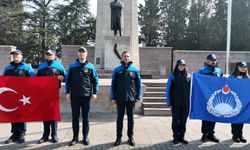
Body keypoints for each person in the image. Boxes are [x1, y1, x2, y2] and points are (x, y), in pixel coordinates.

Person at [66, 47, 99, 146]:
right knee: (75, 117)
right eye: (80, 52)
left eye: (83, 52)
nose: (81, 54)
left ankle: (85, 137)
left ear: (86, 54)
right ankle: (75, 137)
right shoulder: (72, 66)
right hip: (75, 96)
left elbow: (95, 81)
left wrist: (94, 93)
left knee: (85, 118)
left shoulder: (91, 66)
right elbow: (68, 81)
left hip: (86, 96)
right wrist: (67, 92)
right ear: (77, 54)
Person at [3, 49, 35, 144]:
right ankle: (14, 134)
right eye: (13, 55)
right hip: (11, 95)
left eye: (17, 55)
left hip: (23, 96)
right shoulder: (8, 68)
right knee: (13, 114)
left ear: (21, 56)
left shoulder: (27, 67)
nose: (15, 56)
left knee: (22, 114)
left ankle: (21, 133)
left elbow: (34, 80)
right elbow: (3, 80)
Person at [110, 51, 142, 146]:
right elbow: (113, 85)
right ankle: (118, 138)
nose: (126, 58)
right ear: (122, 58)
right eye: (124, 56)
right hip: (120, 99)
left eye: (128, 56)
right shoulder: (117, 70)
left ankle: (130, 137)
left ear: (130, 58)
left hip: (131, 99)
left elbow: (138, 85)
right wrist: (113, 97)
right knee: (119, 119)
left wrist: (138, 96)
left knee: (131, 119)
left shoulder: (134, 70)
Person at [37, 50, 66, 144]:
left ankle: (54, 134)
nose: (49, 56)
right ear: (45, 56)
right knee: (45, 114)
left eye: (50, 55)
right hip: (43, 94)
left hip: (54, 94)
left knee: (54, 114)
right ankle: (45, 135)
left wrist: (61, 77)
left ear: (54, 56)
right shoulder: (41, 66)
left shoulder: (59, 66)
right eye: (47, 54)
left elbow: (66, 78)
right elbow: (36, 80)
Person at [198, 54, 223, 143]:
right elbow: (198, 83)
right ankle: (204, 134)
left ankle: (211, 134)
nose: (213, 61)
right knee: (205, 116)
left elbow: (223, 82)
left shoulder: (219, 71)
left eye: (214, 60)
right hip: (205, 97)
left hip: (216, 98)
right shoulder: (202, 71)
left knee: (213, 115)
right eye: (211, 60)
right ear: (207, 60)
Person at [166, 59, 191, 144]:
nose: (181, 67)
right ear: (177, 66)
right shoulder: (172, 76)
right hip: (176, 103)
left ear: (185, 66)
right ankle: (175, 137)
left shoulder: (189, 76)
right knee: (175, 121)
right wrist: (169, 102)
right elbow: (168, 90)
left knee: (183, 121)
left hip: (186, 104)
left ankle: (182, 137)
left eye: (183, 65)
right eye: (180, 65)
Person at [230, 61, 248, 143]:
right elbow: (226, 84)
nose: (243, 68)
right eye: (241, 67)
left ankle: (240, 135)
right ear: (237, 67)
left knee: (242, 118)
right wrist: (236, 80)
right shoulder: (232, 76)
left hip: (244, 102)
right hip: (235, 102)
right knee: (235, 118)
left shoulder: (247, 77)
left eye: (245, 67)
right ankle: (235, 135)